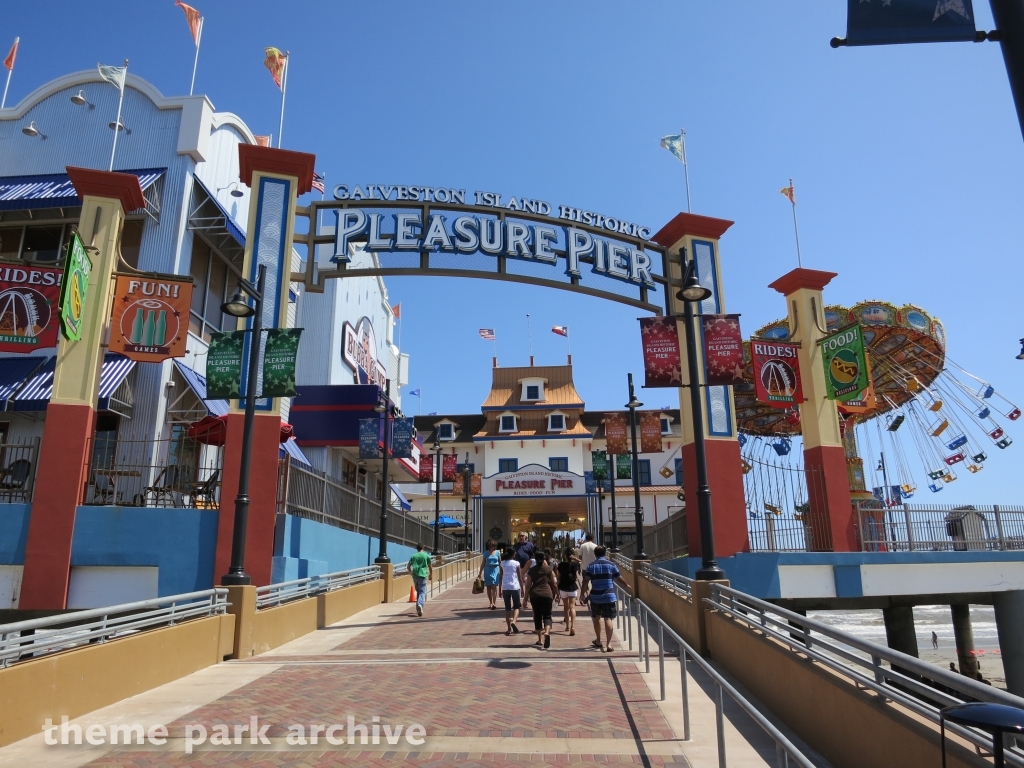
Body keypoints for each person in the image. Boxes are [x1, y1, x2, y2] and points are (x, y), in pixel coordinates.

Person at [582, 546, 620, 652]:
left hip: (596, 597)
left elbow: (586, 581)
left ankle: (598, 640)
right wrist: (627, 585)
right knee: (608, 618)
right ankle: (609, 644)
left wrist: (582, 594)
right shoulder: (611, 565)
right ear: (605, 553)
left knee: (596, 618)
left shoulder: (591, 566)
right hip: (609, 596)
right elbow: (619, 577)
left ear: (595, 554)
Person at [524, 550, 559, 649]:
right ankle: (547, 632)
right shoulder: (549, 569)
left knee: (537, 616)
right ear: (544, 558)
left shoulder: (531, 570)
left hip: (535, 595)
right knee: (547, 616)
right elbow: (554, 583)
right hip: (547, 594)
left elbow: (528, 585)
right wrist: (557, 594)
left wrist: (525, 598)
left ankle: (539, 639)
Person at [556, 548, 581, 636]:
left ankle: (567, 626)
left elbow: (558, 577)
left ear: (564, 555)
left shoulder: (561, 565)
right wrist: (574, 558)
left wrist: (557, 590)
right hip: (572, 587)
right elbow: (581, 562)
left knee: (566, 608)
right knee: (572, 607)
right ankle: (573, 626)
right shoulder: (575, 564)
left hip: (563, 587)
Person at [500, 547, 524, 635]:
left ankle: (509, 628)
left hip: (505, 586)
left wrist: (499, 589)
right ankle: (514, 621)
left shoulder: (502, 563)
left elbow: (500, 577)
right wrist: (522, 589)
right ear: (513, 554)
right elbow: (520, 577)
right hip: (515, 586)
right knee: (517, 606)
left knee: (507, 608)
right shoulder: (516, 563)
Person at [407, 544, 433, 617]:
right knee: (422, 592)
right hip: (423, 575)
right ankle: (420, 604)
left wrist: (411, 573)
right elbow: (430, 566)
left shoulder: (413, 556)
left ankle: (418, 608)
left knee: (418, 590)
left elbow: (408, 567)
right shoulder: (426, 556)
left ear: (417, 549)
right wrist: (431, 575)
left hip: (415, 575)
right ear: (423, 548)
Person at [478, 539, 501, 609]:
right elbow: (483, 563)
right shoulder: (486, 553)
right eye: (491, 546)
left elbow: (500, 562)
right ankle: (490, 602)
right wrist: (480, 572)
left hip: (495, 570)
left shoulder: (498, 552)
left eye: (494, 546)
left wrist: (503, 570)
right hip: (488, 570)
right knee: (488, 587)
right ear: (489, 546)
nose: (493, 547)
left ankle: (494, 602)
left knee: (494, 586)